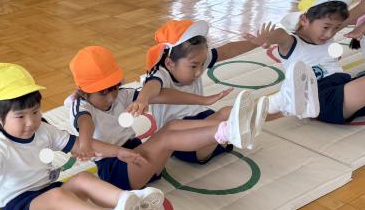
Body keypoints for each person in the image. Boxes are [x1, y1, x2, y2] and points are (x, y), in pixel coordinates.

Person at [0, 63, 164, 210]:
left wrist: (119, 151)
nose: (31, 122)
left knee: (82, 179)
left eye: (35, 112)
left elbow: (79, 145)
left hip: (55, 204)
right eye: (20, 116)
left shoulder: (43, 130)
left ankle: (131, 202)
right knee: (56, 196)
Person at [66, 45, 257, 191]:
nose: (111, 97)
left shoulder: (121, 95)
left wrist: (203, 100)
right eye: (102, 93)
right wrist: (85, 145)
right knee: (167, 138)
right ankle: (227, 131)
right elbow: (85, 124)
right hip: (117, 172)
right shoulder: (80, 106)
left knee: (173, 125)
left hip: (138, 158)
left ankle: (229, 124)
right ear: (83, 91)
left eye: (114, 88)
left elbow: (162, 95)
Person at [129, 20, 318, 165]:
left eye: (202, 64)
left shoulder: (193, 59)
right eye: (194, 66)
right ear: (170, 63)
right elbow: (151, 86)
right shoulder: (160, 72)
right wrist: (143, 99)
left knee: (232, 113)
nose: (199, 71)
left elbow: (227, 50)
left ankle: (289, 107)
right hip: (184, 144)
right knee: (229, 113)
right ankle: (279, 103)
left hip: (206, 124)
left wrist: (256, 43)